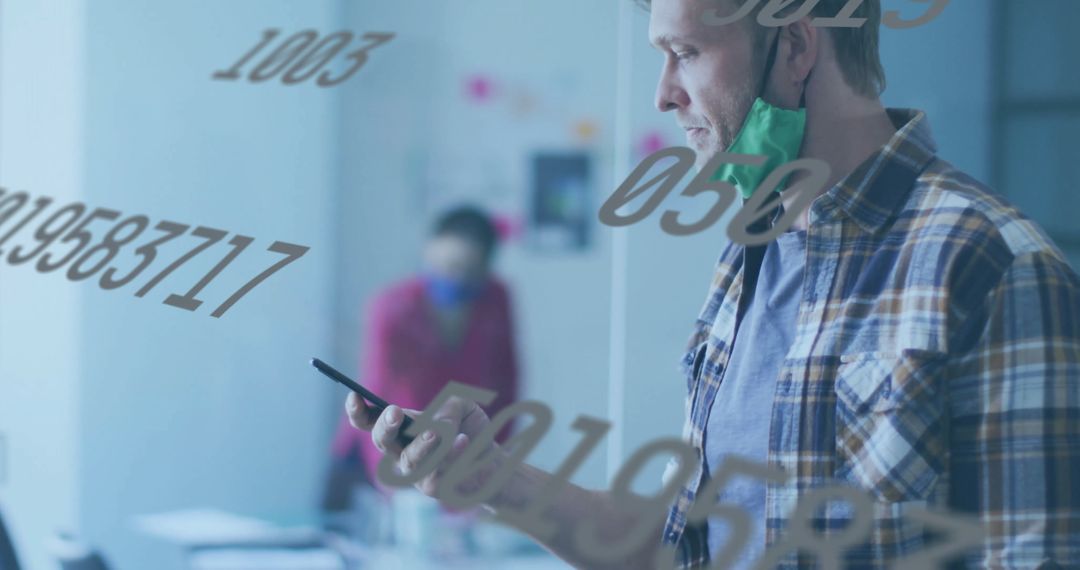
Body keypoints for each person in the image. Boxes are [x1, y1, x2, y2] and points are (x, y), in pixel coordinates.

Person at [343, 0, 1080, 568]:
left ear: (794, 46)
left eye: (685, 53)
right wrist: (492, 479)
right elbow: (683, 546)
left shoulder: (995, 267)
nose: (664, 95)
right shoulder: (750, 256)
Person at [330, 205, 519, 489]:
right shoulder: (391, 306)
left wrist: (492, 463)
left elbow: (508, 386)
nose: (455, 279)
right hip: (381, 450)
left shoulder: (497, 300)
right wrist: (393, 479)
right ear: (428, 253)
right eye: (447, 267)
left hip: (454, 451)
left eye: (468, 271)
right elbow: (377, 389)